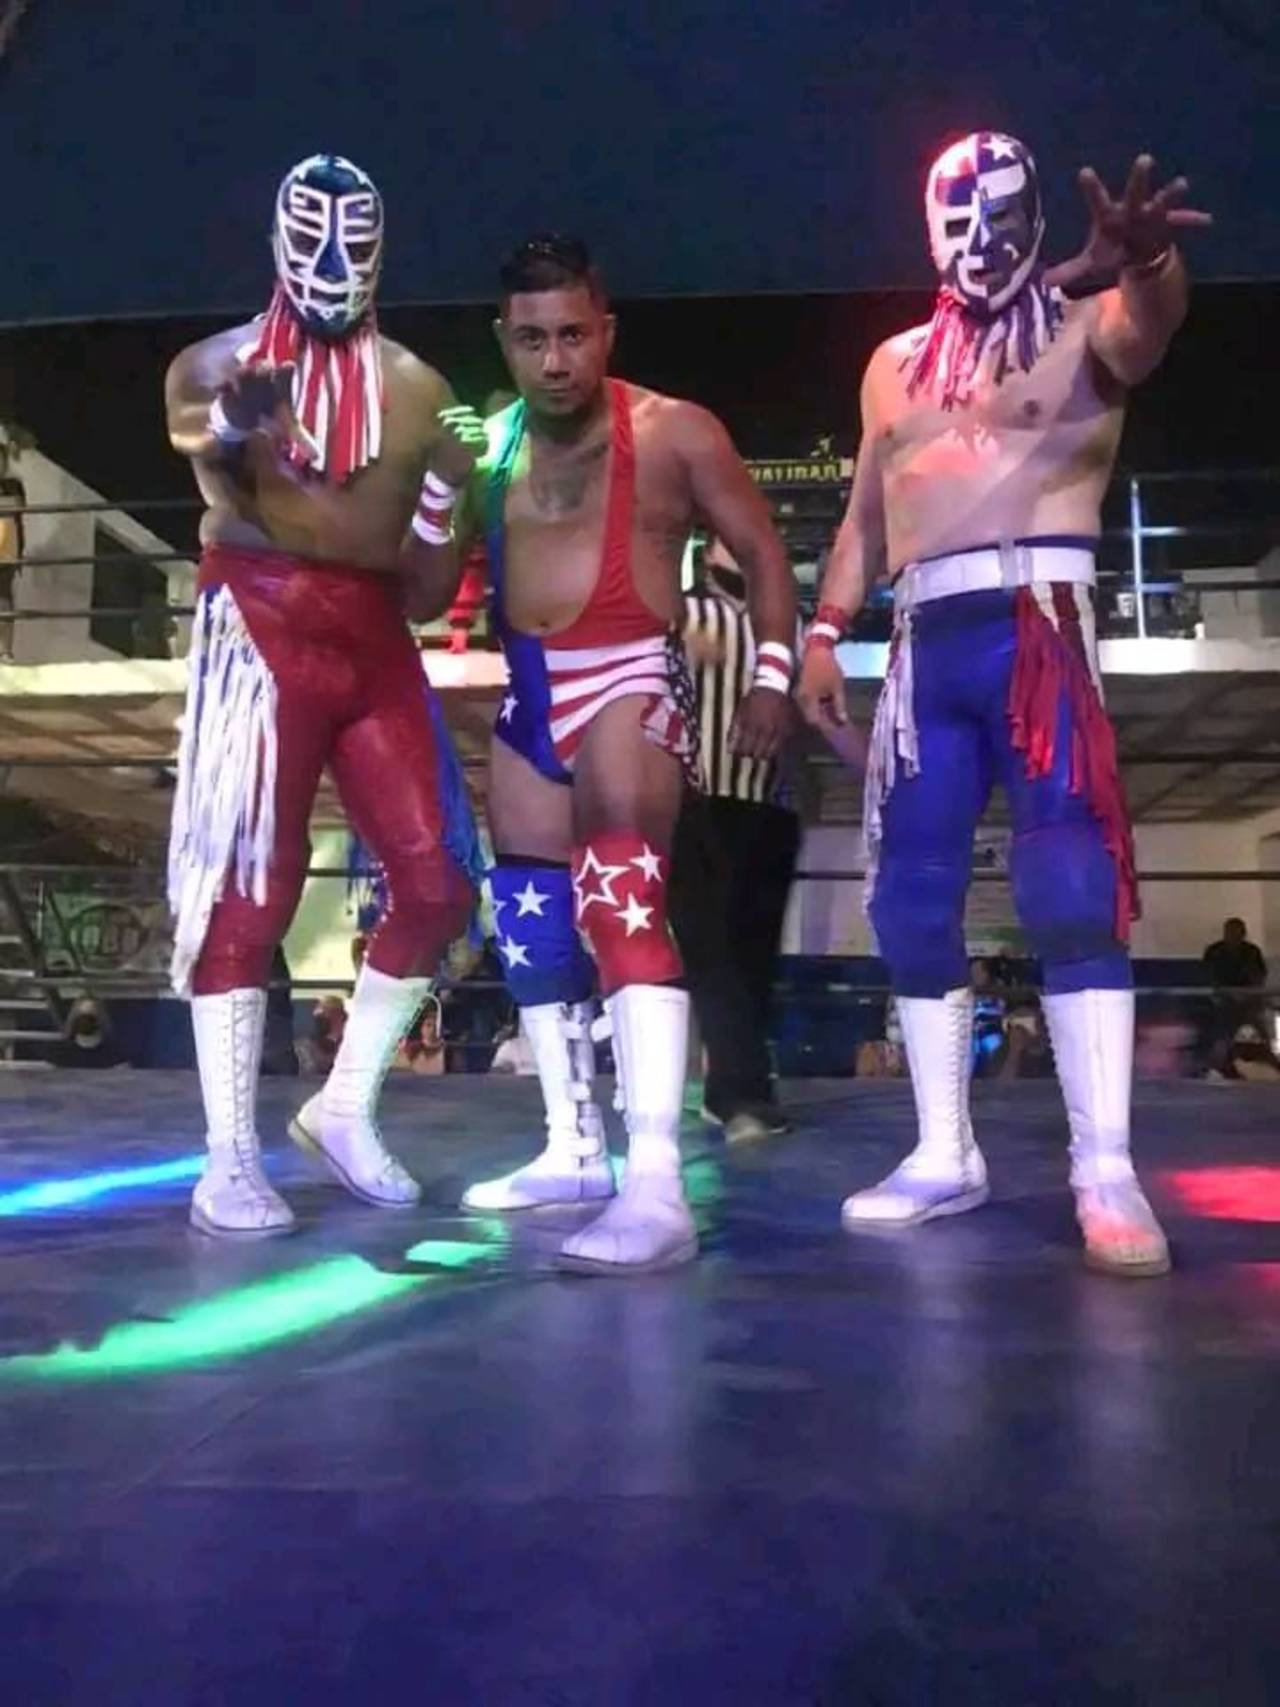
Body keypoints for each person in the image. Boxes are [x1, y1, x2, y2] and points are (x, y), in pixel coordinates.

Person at [799, 135, 1210, 1277]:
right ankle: (943, 1149)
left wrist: (1146, 263)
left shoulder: (1082, 328)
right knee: (907, 898)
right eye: (958, 218)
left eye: (1000, 215)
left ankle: (1104, 1166)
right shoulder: (892, 365)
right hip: (926, 642)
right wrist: (822, 633)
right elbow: (866, 514)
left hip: (1038, 621)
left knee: (1071, 887)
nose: (980, 240)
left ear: (1033, 217)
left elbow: (1149, 329)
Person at [404, 235, 796, 1272]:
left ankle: (656, 1185)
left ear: (606, 331)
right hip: (529, 691)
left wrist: (771, 675)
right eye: (532, 339)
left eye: (573, 335)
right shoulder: (487, 444)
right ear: (503, 341)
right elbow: (422, 595)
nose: (555, 360)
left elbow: (762, 551)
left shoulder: (673, 430)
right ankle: (573, 1148)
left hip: (629, 674)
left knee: (623, 899)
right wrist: (439, 488)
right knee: (530, 924)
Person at [165, 153, 484, 1238]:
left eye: (356, 238)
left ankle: (343, 1105)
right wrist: (231, 423)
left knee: (439, 881)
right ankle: (225, 1156)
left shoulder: (422, 392)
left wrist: (444, 495)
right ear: (276, 238)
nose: (336, 261)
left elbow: (430, 591)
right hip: (259, 618)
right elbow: (205, 461)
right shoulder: (212, 364)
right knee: (250, 884)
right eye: (313, 235)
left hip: (374, 635)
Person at [668, 535, 803, 1142]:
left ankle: (734, 1089)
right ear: (707, 555)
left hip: (769, 807)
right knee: (714, 955)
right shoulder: (683, 613)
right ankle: (740, 1095)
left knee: (752, 958)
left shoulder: (788, 625)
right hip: (698, 802)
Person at [0, 439, 28, 662]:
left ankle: (5, 651)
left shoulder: (13, 484)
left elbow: (17, 504)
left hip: (7, 549)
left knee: (4, 599)